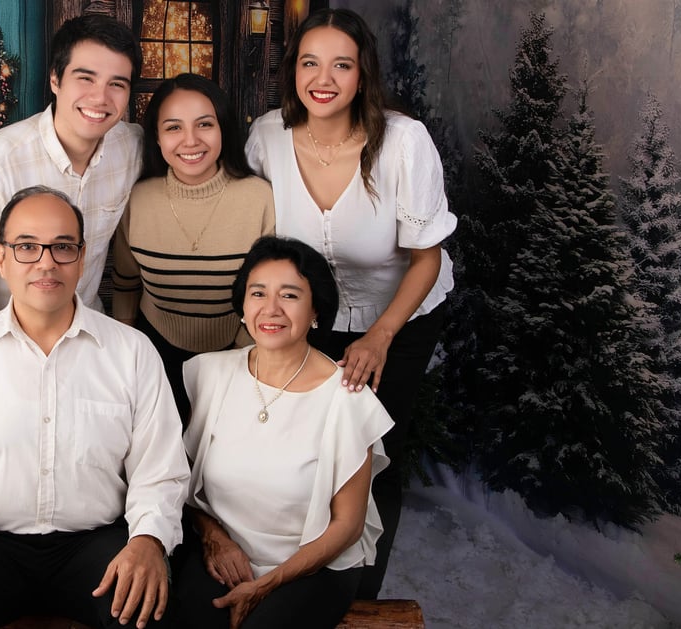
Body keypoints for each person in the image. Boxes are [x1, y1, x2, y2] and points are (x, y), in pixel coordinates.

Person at [0, 186, 190, 629]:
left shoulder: (132, 352)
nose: (46, 262)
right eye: (27, 247)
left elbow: (160, 471)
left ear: (82, 259)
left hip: (96, 545)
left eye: (63, 247)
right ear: (1, 258)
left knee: (150, 617)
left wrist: (149, 541)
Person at [244, 8, 457, 598]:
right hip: (313, 316)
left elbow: (427, 258)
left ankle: (359, 593)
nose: (324, 79)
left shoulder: (404, 142)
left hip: (402, 314)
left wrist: (380, 337)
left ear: (363, 75)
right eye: (310, 63)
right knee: (308, 445)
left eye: (342, 65)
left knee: (371, 448)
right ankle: (297, 573)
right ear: (292, 71)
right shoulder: (266, 137)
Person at [176, 236, 393, 629]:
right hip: (224, 553)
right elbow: (179, 484)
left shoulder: (347, 399)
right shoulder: (209, 374)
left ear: (315, 310)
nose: (271, 309)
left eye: (289, 295)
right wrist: (214, 538)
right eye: (258, 293)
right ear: (243, 306)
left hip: (313, 567)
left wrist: (267, 584)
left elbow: (348, 526)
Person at [0, 14, 143, 334]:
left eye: (116, 84)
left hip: (88, 335)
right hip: (5, 344)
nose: (100, 98)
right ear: (55, 80)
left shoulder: (131, 148)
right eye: (85, 78)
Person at [111, 73, 275, 421]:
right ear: (157, 137)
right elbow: (126, 284)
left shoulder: (260, 198)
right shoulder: (137, 199)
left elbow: (267, 295)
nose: (190, 140)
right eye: (173, 127)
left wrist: (240, 355)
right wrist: (124, 357)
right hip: (154, 353)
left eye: (205, 124)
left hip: (240, 353)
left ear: (223, 129)